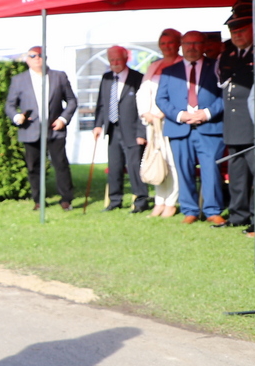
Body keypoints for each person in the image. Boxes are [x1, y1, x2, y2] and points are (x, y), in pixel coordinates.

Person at [156, 30, 226, 223]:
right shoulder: (170, 71)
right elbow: (161, 99)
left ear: (204, 46)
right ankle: (190, 211)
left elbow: (225, 96)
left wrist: (207, 113)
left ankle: (212, 210)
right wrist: (180, 115)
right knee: (183, 170)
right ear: (181, 46)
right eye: (187, 44)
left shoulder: (216, 67)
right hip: (179, 128)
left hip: (210, 127)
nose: (192, 48)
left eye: (196, 44)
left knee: (211, 169)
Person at [5, 46, 77, 210]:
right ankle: (38, 200)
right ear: (27, 60)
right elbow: (9, 105)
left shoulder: (59, 76)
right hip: (30, 129)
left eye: (40, 55)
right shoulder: (19, 80)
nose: (37, 58)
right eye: (33, 56)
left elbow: (71, 101)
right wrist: (18, 117)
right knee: (33, 167)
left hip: (54, 129)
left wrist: (63, 119)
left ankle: (66, 199)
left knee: (61, 165)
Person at [216, 5, 255, 232]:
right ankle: (237, 214)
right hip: (233, 125)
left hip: (254, 124)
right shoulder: (228, 55)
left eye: (242, 29)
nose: (237, 34)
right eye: (233, 30)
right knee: (237, 174)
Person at [92, 46, 147, 212]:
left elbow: (143, 106)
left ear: (126, 59)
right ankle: (115, 200)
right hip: (113, 129)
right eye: (111, 60)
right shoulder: (107, 78)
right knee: (114, 167)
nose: (114, 63)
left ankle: (141, 201)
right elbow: (102, 103)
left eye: (117, 60)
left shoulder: (138, 78)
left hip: (132, 130)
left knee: (134, 167)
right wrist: (97, 125)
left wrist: (141, 132)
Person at [136, 28, 183, 216]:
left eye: (170, 42)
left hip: (171, 120)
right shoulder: (154, 65)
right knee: (156, 159)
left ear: (178, 44)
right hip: (152, 122)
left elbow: (180, 94)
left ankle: (171, 201)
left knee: (172, 162)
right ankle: (159, 200)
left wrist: (164, 112)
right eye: (163, 43)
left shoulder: (182, 65)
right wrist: (145, 112)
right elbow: (142, 92)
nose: (167, 47)